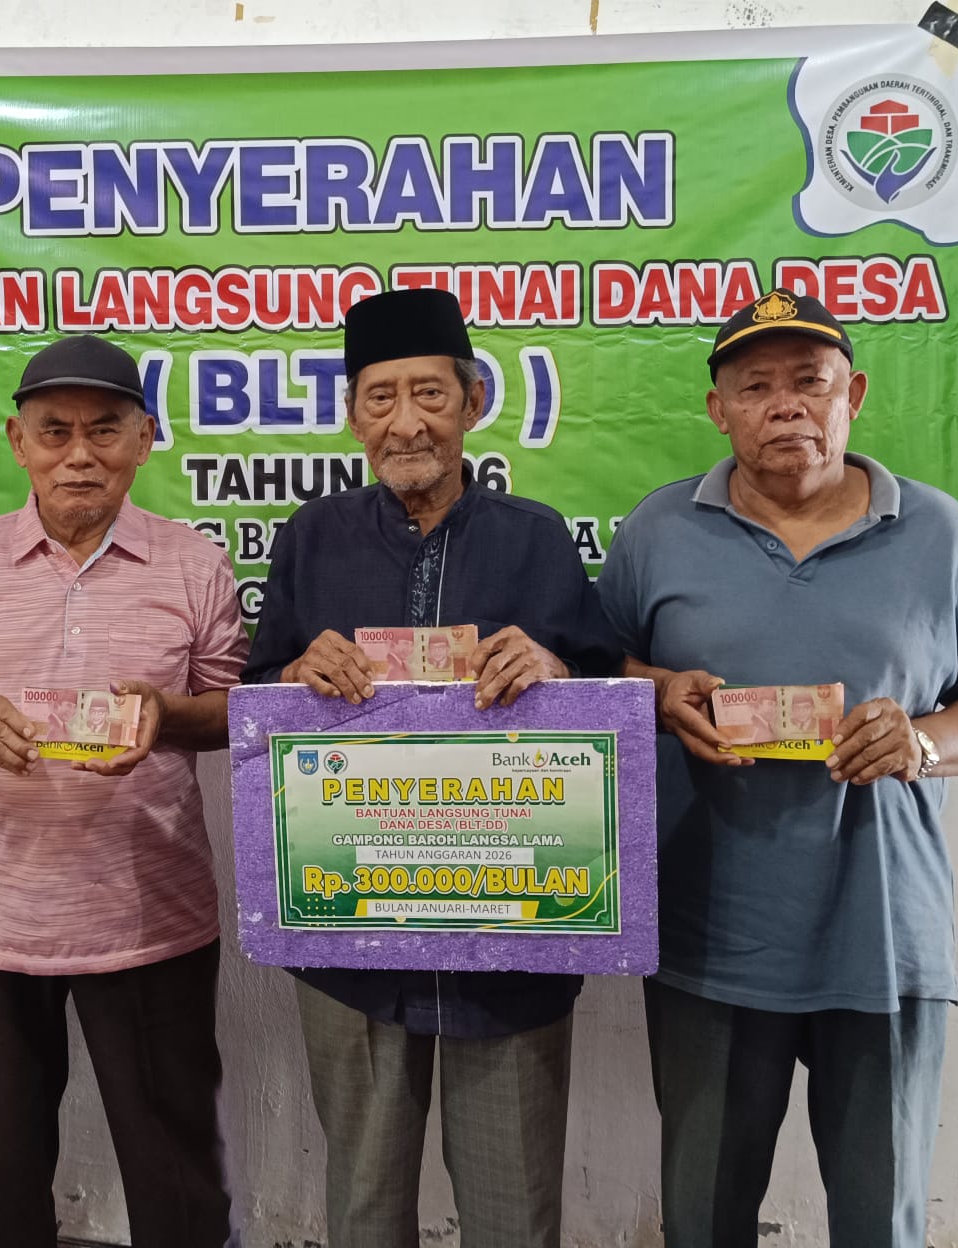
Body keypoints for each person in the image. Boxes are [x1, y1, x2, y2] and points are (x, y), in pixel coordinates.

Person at [597, 289, 958, 1248]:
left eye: (811, 381)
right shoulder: (659, 531)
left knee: (881, 1224)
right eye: (756, 387)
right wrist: (656, 691)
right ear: (719, 411)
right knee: (702, 1221)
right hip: (710, 938)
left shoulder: (940, 534)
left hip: (884, 939)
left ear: (855, 395)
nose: (786, 404)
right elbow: (591, 673)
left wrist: (923, 743)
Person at [244, 287, 622, 1248]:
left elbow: (608, 706)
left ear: (473, 402)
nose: (406, 421)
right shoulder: (313, 538)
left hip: (511, 937)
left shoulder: (535, 538)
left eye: (430, 394)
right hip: (352, 936)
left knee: (513, 1210)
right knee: (363, 1207)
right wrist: (294, 675)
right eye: (380, 397)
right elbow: (253, 701)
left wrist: (554, 670)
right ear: (352, 416)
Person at [0, 334, 249, 1248]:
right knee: (3, 1172)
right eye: (55, 431)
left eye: (105, 430)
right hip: (1, 919)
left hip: (154, 914)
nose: (80, 454)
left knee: (178, 1174)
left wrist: (166, 714)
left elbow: (237, 711)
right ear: (19, 443)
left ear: (145, 439)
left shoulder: (193, 564)